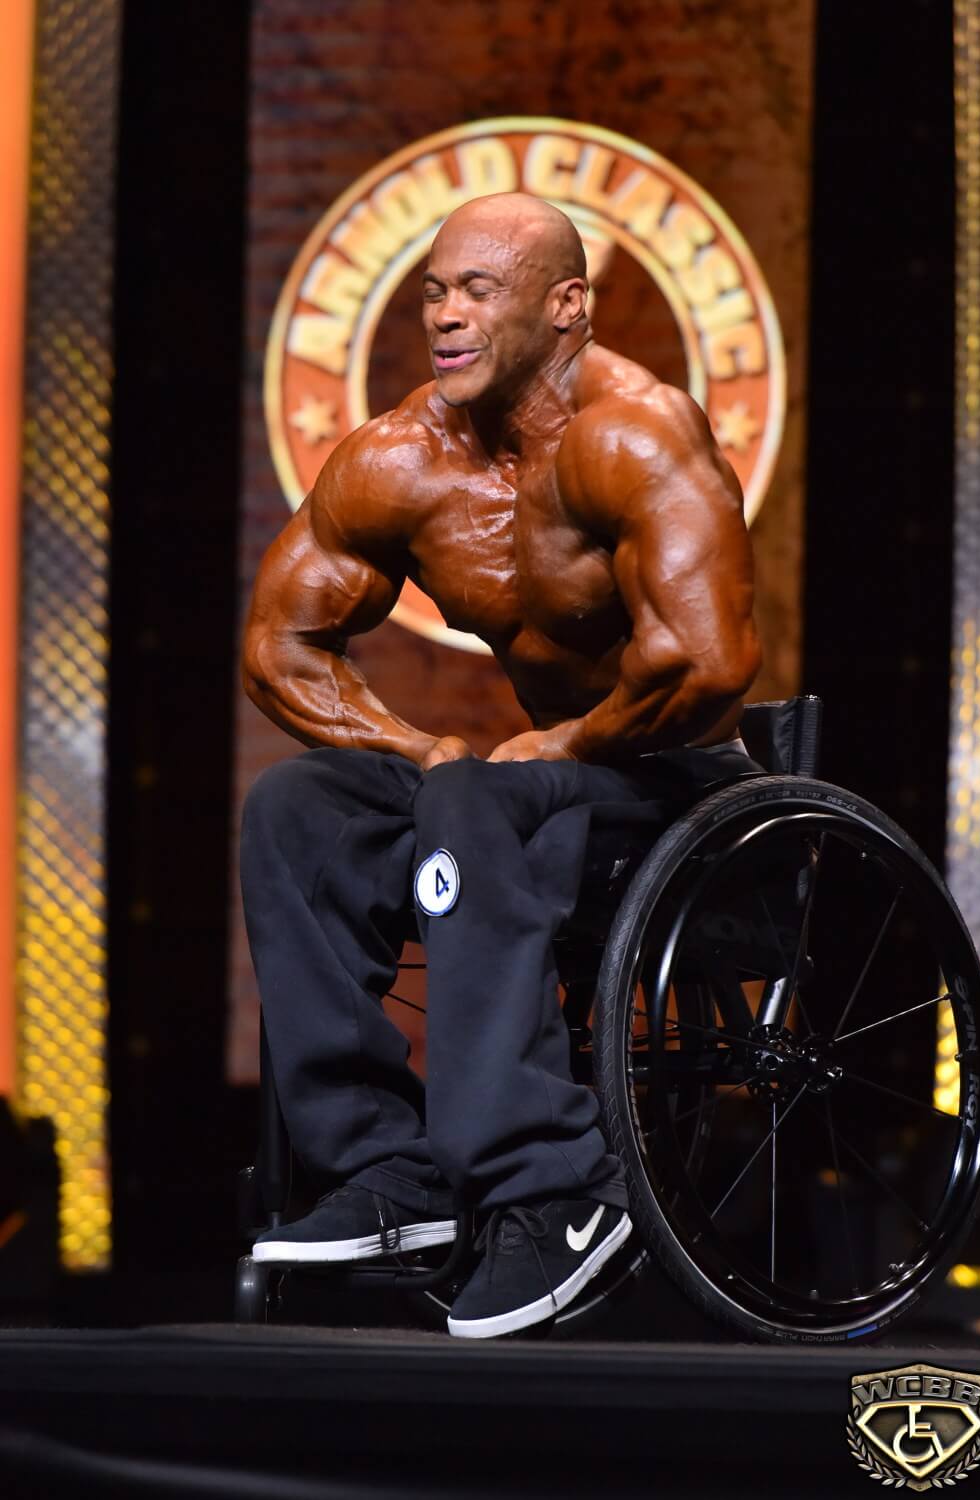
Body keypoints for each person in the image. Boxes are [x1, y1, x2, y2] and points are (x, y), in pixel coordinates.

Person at [240, 192, 761, 1339]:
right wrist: (416, 747)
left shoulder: (635, 434)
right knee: (296, 808)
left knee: (477, 796)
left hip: (680, 789)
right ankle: (386, 1168)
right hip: (524, 794)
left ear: (565, 305)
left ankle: (556, 1189)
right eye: (433, 291)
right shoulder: (401, 460)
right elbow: (278, 644)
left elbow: (709, 661)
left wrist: (559, 745)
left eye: (477, 290)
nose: (444, 314)